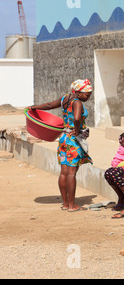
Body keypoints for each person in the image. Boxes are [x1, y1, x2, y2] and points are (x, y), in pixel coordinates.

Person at [26, 79, 93, 212]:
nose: (89, 96)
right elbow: (77, 118)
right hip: (74, 140)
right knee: (71, 173)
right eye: (87, 93)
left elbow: (50, 105)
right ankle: (73, 205)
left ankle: (66, 203)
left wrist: (34, 107)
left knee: (63, 172)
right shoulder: (77, 102)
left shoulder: (65, 99)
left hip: (63, 138)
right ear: (78, 92)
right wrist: (78, 130)